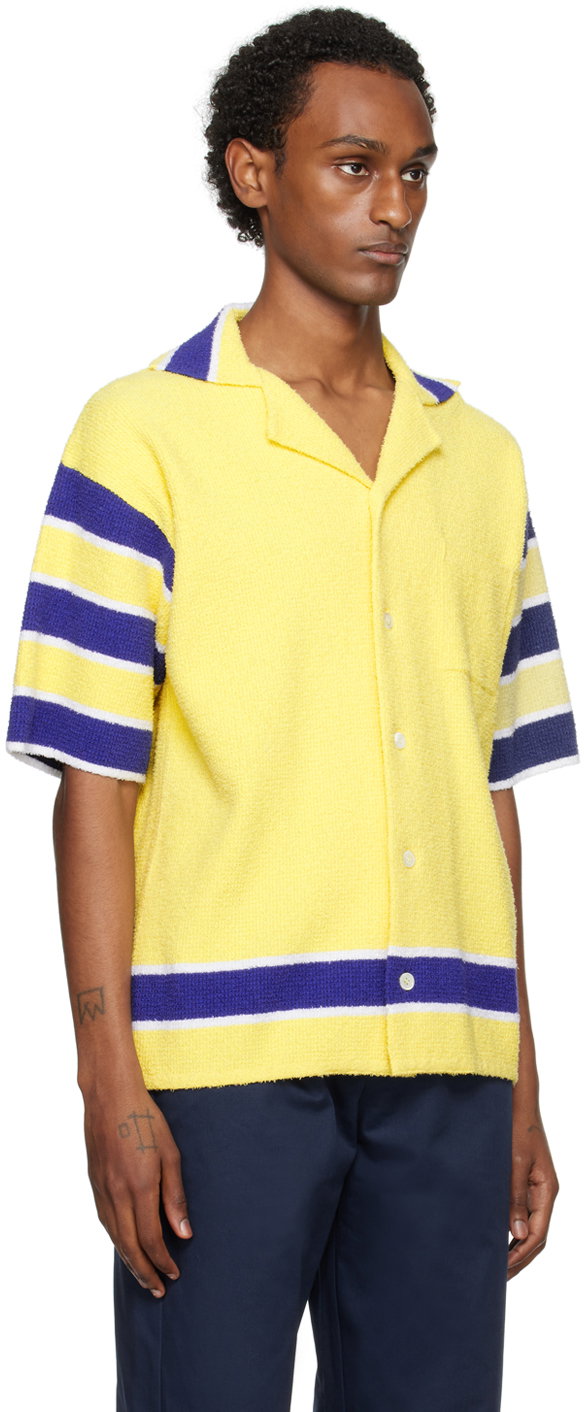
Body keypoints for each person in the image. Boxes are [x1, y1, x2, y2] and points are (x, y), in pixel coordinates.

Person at [6, 8, 580, 1411]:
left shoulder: (482, 458)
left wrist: (520, 1074)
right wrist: (107, 1081)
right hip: (221, 1073)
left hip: (448, 1069)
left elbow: (488, 790)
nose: (396, 207)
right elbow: (95, 780)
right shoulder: (140, 433)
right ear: (254, 172)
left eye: (416, 172)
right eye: (354, 165)